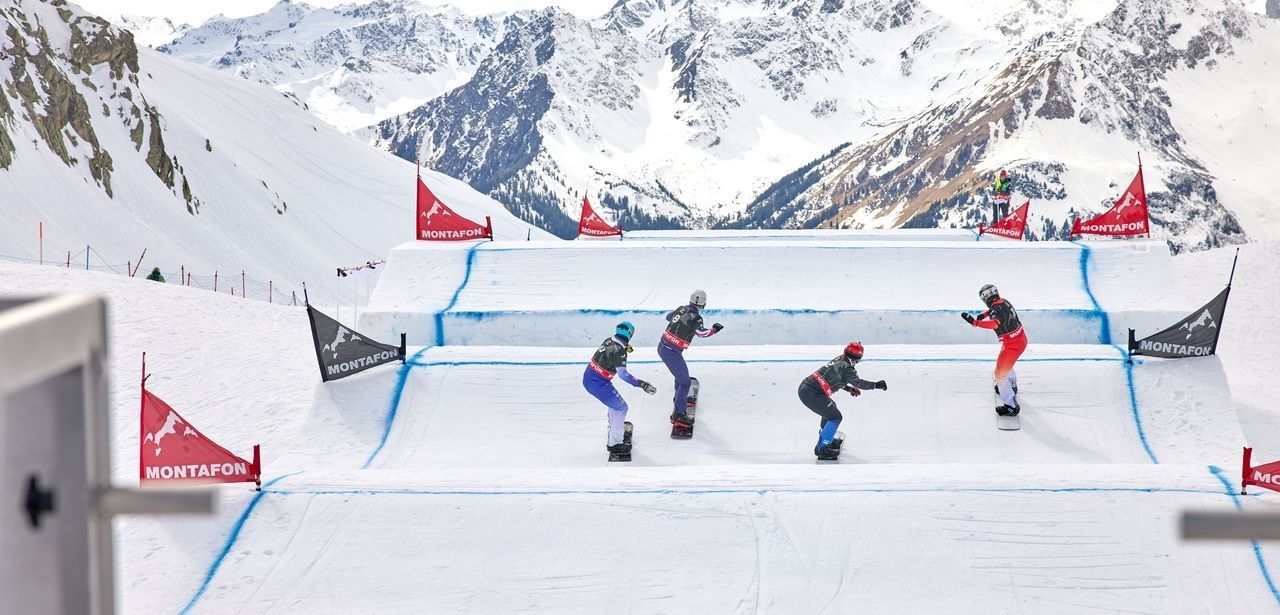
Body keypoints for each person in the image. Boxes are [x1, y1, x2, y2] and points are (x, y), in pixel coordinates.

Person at [799, 342, 887, 460]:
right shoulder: (848, 368)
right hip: (812, 393)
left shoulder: (840, 359)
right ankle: (822, 449)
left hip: (807, 389)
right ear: (857, 359)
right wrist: (876, 385)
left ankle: (826, 439)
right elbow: (858, 383)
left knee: (830, 410)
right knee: (835, 417)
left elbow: (835, 378)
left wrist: (849, 389)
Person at [583, 321, 656, 457]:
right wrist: (641, 384)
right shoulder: (619, 351)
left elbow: (610, 352)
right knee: (621, 408)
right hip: (598, 383)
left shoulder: (610, 340)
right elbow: (623, 375)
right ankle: (615, 444)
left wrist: (623, 348)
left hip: (591, 378)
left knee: (615, 405)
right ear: (630, 334)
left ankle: (615, 432)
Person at [658, 289, 723, 429]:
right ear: (704, 304)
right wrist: (714, 330)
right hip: (671, 352)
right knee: (685, 382)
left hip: (664, 347)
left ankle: (679, 398)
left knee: (681, 376)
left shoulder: (681, 309)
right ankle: (678, 415)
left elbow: (669, 317)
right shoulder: (696, 318)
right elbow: (701, 333)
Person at [962, 284, 1027, 415]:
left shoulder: (994, 310)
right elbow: (997, 311)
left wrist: (976, 322)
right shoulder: (1004, 301)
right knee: (1003, 365)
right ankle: (1011, 385)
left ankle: (1011, 406)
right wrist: (984, 314)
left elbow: (995, 323)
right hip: (1018, 340)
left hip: (1012, 346)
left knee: (999, 374)